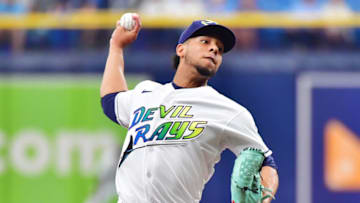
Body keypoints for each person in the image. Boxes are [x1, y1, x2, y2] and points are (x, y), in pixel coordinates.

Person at [100, 15, 279, 202]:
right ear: (181, 49)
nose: (214, 49)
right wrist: (116, 47)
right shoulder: (146, 92)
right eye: (205, 42)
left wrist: (263, 198)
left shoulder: (228, 111)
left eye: (219, 48)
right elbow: (111, 100)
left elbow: (265, 161)